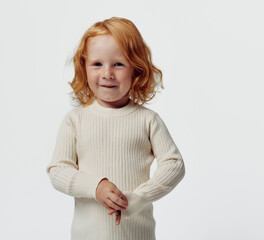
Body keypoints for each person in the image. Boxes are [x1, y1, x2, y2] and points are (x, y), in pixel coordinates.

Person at [46, 17, 185, 240]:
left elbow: (174, 165)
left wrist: (139, 198)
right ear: (84, 67)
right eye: (97, 64)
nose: (107, 73)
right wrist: (96, 187)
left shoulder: (148, 120)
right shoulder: (75, 120)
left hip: (137, 235)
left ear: (137, 70)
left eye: (118, 64)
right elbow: (58, 170)